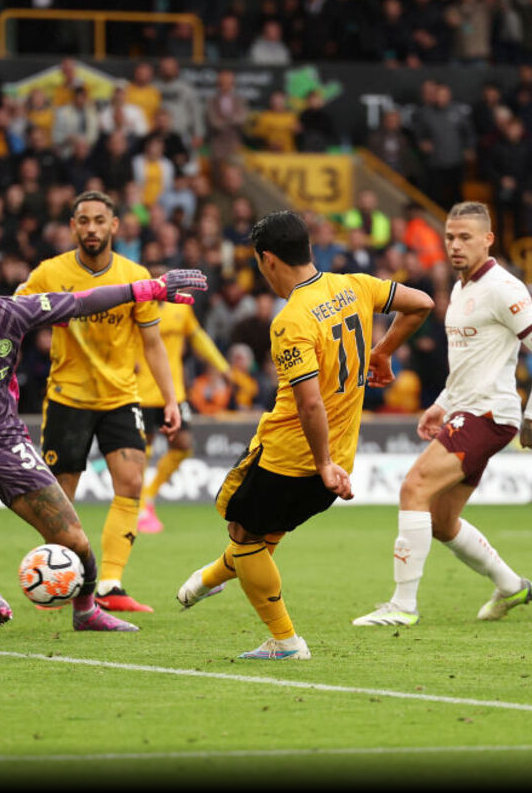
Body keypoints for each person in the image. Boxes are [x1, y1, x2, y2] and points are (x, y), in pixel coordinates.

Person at [0, 244, 205, 631]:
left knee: (75, 541)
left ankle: (87, 612)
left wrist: (147, 289)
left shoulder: (11, 314)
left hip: (6, 441)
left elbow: (80, 301)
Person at [174, 210, 433, 659]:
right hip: (340, 457)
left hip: (294, 456)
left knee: (245, 535)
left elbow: (310, 402)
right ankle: (208, 581)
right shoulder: (355, 285)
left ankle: (285, 641)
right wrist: (383, 353)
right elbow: (423, 303)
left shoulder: (291, 320)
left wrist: (321, 463)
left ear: (268, 260)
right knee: (262, 538)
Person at [351, 201, 532, 627]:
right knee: (440, 521)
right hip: (467, 410)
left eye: (465, 237)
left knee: (413, 488)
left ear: (488, 239)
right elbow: (472, 363)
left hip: (489, 414)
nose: (455, 246)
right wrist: (442, 404)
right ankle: (511, 585)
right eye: (450, 237)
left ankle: (403, 605)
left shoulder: (503, 288)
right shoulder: (464, 288)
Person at [15, 191, 182, 614]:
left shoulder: (134, 275)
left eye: (99, 221)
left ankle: (110, 583)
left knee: (129, 483)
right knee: (59, 498)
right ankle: (57, 581)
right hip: (68, 397)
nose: (92, 228)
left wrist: (170, 399)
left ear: (115, 227)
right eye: (83, 221)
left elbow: (152, 343)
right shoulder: (50, 273)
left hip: (120, 396)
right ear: (73, 227)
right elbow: (11, 318)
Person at [136, 272, 231, 533]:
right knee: (142, 450)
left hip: (173, 393)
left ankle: (148, 495)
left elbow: (198, 336)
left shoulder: (180, 308)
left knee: (184, 446)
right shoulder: (136, 305)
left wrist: (222, 366)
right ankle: (141, 506)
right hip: (140, 391)